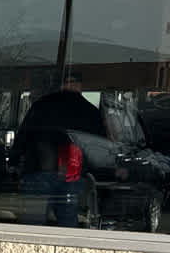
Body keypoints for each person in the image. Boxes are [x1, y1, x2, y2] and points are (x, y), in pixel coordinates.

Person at [14, 70, 106, 227]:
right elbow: (98, 148)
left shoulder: (42, 105)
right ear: (80, 86)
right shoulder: (91, 112)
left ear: (61, 85)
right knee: (67, 220)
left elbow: (24, 136)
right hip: (72, 171)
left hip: (40, 168)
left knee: (32, 225)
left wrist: (14, 161)